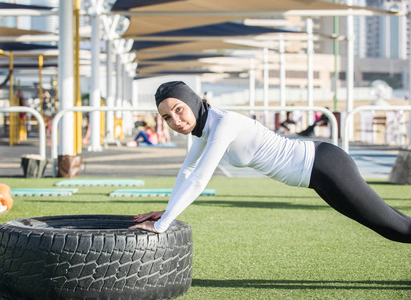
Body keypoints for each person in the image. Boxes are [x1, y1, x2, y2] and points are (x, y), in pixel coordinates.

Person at [130, 81, 411, 243]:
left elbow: (200, 178)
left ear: (192, 102)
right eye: (167, 117)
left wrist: (162, 226)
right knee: (394, 225)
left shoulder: (223, 123)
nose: (176, 121)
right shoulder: (205, 129)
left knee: (394, 228)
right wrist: (165, 213)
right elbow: (187, 170)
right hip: (318, 175)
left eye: (179, 109)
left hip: (326, 165)